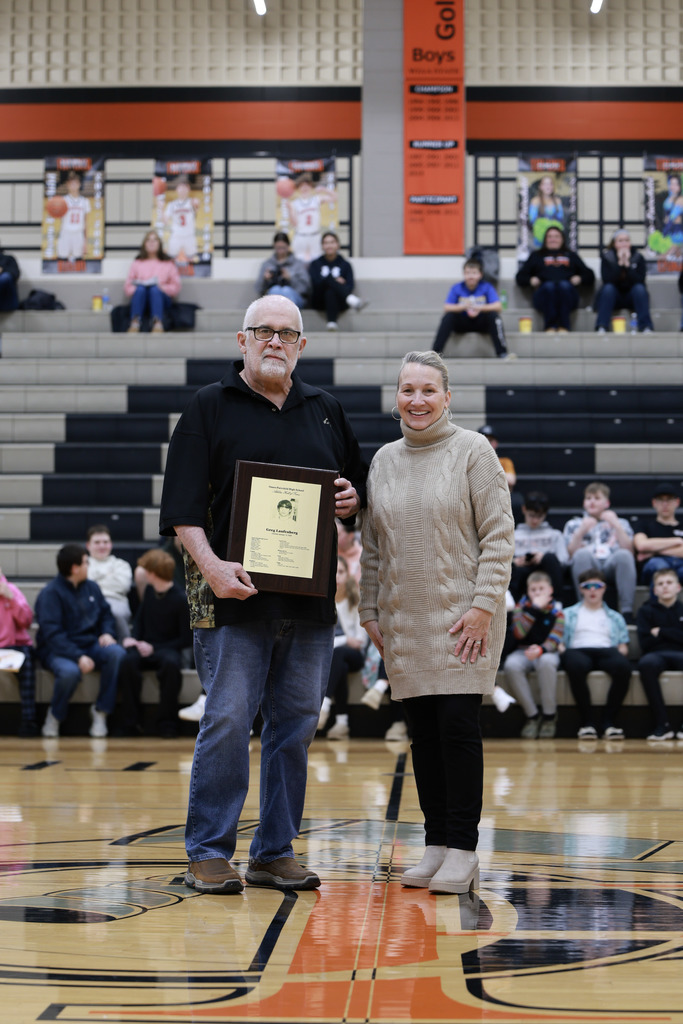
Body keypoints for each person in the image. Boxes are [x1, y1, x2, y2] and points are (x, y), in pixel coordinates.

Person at [158, 294, 367, 895]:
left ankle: (274, 851)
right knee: (226, 720)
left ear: (303, 346)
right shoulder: (207, 407)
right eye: (263, 331)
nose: (275, 341)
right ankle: (208, 851)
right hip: (232, 598)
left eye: (287, 333)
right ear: (242, 341)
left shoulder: (326, 410)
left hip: (308, 604)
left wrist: (353, 502)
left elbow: (354, 488)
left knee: (296, 725)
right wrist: (214, 568)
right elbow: (181, 510)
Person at [359, 350, 514, 895]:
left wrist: (482, 606)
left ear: (447, 397)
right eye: (407, 390)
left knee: (455, 727)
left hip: (462, 618)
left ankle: (465, 848)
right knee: (421, 735)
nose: (417, 400)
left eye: (428, 390)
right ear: (395, 396)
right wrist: (369, 610)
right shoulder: (381, 460)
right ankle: (436, 844)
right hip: (404, 619)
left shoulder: (474, 451)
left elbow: (498, 536)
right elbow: (372, 548)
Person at [35, 544, 127, 738]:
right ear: (74, 568)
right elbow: (53, 635)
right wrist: (78, 657)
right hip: (57, 649)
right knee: (69, 672)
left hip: (90, 643)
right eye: (86, 563)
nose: (89, 566)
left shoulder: (92, 587)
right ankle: (55, 715)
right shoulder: (50, 594)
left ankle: (101, 711)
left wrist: (107, 633)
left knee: (116, 653)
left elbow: (106, 615)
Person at [117, 549, 191, 738]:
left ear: (152, 573)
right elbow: (140, 620)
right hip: (145, 646)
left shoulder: (180, 599)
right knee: (128, 663)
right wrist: (134, 638)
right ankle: (130, 723)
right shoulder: (150, 592)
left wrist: (154, 648)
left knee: (170, 666)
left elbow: (185, 639)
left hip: (168, 648)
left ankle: (168, 724)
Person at [560, 568, 632, 740]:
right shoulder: (567, 614)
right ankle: (588, 723)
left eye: (597, 586)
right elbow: (559, 640)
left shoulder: (615, 617)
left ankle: (608, 722)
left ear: (604, 588)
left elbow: (623, 644)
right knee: (575, 665)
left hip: (606, 650)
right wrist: (563, 651)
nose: (592, 590)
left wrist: (621, 652)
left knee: (624, 668)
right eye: (588, 586)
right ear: (581, 589)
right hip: (578, 650)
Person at [563, 481, 637, 622]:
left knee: (624, 555)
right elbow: (570, 554)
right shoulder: (574, 524)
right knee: (581, 554)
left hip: (611, 563)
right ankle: (584, 606)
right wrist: (580, 532)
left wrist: (616, 525)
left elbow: (629, 550)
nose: (592, 502)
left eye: (597, 498)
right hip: (589, 565)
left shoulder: (621, 522)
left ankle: (627, 611)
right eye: (588, 498)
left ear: (606, 503)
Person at [503, 571, 564, 738]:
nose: (537, 593)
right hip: (523, 650)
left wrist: (541, 649)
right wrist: (534, 609)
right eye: (533, 589)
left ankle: (549, 716)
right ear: (528, 591)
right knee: (511, 665)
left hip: (546, 651)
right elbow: (519, 633)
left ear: (550, 590)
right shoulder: (520, 608)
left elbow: (555, 639)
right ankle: (532, 715)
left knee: (546, 662)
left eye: (541, 589)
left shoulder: (557, 611)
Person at [318, 555, 367, 740]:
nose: (337, 576)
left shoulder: (355, 601)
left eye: (341, 571)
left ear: (348, 575)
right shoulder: (322, 602)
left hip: (355, 656)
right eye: (333, 572)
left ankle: (323, 706)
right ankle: (342, 724)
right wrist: (346, 638)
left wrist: (344, 641)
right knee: (339, 664)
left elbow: (359, 641)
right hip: (335, 657)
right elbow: (322, 641)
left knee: (339, 655)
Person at [515, 225, 595, 333]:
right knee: (550, 286)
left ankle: (564, 327)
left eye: (557, 236)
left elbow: (590, 275)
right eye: (550, 237)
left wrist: (580, 278)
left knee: (563, 285)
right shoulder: (536, 256)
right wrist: (531, 280)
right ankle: (550, 326)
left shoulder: (571, 255)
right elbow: (520, 277)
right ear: (545, 240)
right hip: (544, 294)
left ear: (562, 239)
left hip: (568, 293)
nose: (553, 239)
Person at [432, 258, 514, 360]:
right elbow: (447, 307)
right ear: (464, 274)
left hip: (481, 322)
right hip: (463, 322)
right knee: (448, 317)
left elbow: (498, 306)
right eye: (467, 273)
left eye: (474, 273)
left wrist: (479, 308)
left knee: (495, 317)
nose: (471, 276)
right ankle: (435, 354)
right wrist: (464, 307)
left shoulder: (487, 287)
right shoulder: (457, 287)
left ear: (480, 274)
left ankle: (502, 353)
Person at [636, 568, 683, 741]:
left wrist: (661, 631)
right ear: (654, 590)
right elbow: (645, 643)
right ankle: (662, 725)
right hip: (655, 654)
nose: (665, 587)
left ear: (678, 587)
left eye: (669, 583)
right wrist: (676, 634)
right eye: (660, 584)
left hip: (680, 654)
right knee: (646, 664)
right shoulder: (645, 611)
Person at [510, 491, 569, 601]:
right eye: (531, 515)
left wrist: (542, 557)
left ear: (545, 514)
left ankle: (556, 603)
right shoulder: (513, 535)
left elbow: (563, 561)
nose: (535, 520)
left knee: (549, 558)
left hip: (546, 574)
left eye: (539, 516)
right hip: (522, 575)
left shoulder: (555, 535)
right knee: (512, 567)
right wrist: (515, 562)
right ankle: (513, 607)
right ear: (524, 510)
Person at [0, 566, 38, 736]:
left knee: (27, 663)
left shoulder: (12, 590)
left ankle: (28, 722)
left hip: (15, 645)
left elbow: (26, 621)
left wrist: (11, 598)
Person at [595, 229, 654, 334]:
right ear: (614, 243)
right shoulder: (607, 257)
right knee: (608, 288)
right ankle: (602, 326)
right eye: (620, 240)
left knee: (639, 288)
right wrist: (619, 263)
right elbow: (608, 280)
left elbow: (640, 280)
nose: (624, 243)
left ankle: (646, 326)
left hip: (632, 297)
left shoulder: (638, 257)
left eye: (627, 240)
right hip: (613, 297)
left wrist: (627, 265)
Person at [123, 229, 181, 334]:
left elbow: (176, 287)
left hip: (161, 297)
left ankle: (157, 323)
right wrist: (138, 287)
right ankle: (135, 323)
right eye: (148, 240)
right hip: (141, 297)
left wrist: (162, 287)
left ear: (160, 244)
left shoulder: (168, 263)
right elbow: (128, 287)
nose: (151, 242)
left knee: (154, 289)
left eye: (155, 240)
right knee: (141, 289)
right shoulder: (137, 263)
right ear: (144, 244)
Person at [308, 231, 366, 330]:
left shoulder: (345, 264)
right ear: (322, 246)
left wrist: (334, 284)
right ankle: (352, 300)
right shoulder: (315, 264)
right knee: (329, 281)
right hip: (319, 301)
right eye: (326, 243)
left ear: (338, 245)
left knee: (331, 291)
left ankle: (332, 322)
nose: (329, 245)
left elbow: (350, 286)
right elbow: (315, 285)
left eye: (332, 242)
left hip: (340, 301)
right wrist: (335, 281)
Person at [85, 524, 133, 640]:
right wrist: (108, 577)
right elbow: (82, 588)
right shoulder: (82, 565)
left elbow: (123, 586)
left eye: (105, 542)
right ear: (88, 545)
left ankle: (124, 647)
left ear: (111, 544)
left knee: (114, 612)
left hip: (116, 601)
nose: (102, 546)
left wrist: (95, 581)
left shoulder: (121, 565)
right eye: (97, 542)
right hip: (88, 601)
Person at [633, 481, 683, 587]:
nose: (665, 504)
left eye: (669, 500)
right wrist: (678, 541)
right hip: (655, 565)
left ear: (677, 502)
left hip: (680, 565)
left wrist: (653, 551)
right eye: (661, 500)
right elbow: (642, 545)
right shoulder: (644, 524)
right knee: (660, 567)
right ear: (654, 503)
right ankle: (656, 604)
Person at [478, 424, 523, 523]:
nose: (487, 443)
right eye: (484, 439)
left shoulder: (505, 461)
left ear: (496, 443)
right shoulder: (472, 461)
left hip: (501, 496)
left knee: (516, 501)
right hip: (480, 498)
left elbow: (511, 481)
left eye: (490, 440)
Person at [256, 232, 311, 309]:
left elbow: (306, 288)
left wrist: (290, 278)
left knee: (286, 290)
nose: (280, 250)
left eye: (283, 247)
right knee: (275, 290)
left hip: (296, 298)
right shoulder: (267, 264)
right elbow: (259, 290)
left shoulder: (297, 264)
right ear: (274, 246)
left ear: (288, 246)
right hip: (272, 296)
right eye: (278, 248)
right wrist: (265, 280)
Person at [56, 170, 90, 262]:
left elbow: (86, 222)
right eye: (71, 183)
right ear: (67, 185)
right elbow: (57, 217)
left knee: (79, 261)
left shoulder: (85, 201)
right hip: (66, 232)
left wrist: (85, 242)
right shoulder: (63, 200)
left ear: (79, 184)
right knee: (62, 260)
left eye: (75, 183)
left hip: (78, 233)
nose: (73, 186)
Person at [164, 176, 199, 261]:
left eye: (185, 188)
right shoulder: (171, 205)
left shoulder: (192, 202)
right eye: (181, 188)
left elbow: (196, 209)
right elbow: (165, 221)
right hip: (176, 235)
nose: (182, 190)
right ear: (177, 189)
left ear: (188, 190)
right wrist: (161, 208)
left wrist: (196, 205)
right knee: (171, 259)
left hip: (189, 236)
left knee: (191, 259)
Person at [528, 174, 565, 245]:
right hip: (540, 236)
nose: (548, 187)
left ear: (553, 187)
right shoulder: (535, 201)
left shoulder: (557, 201)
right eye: (545, 184)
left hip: (555, 238)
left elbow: (561, 219)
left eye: (550, 184)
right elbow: (532, 220)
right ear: (540, 187)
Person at [0, 239, 20, 312]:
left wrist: (2, 270)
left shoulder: (8, 259)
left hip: (7, 301)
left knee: (5, 277)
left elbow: (15, 274)